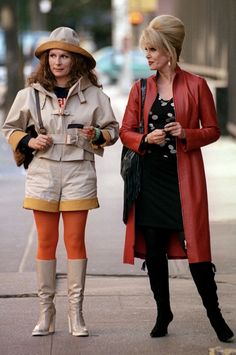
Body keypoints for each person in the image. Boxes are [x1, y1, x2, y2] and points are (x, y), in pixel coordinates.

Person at [120, 15, 234, 342]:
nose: (148, 56)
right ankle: (162, 312)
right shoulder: (140, 87)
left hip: (185, 180)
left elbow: (213, 130)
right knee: (154, 250)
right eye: (146, 51)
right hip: (150, 180)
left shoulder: (197, 85)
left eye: (153, 50)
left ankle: (215, 316)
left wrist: (186, 132)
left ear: (169, 50)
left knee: (198, 253)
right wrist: (144, 139)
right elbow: (126, 131)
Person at [2, 27, 119, 337]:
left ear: (75, 59)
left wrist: (97, 134)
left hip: (79, 171)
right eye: (52, 56)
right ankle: (46, 313)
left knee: (75, 242)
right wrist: (28, 141)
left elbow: (111, 130)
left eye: (64, 56)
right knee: (45, 242)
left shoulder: (95, 95)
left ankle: (75, 314)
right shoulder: (29, 94)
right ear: (46, 60)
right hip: (43, 173)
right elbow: (9, 128)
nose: (57, 61)